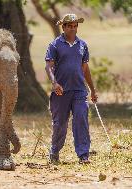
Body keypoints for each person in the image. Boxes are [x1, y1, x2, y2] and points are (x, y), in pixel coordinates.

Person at [45, 13, 98, 164]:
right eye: (70, 26)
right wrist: (54, 83)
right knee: (60, 124)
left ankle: (83, 155)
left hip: (79, 90)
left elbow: (85, 69)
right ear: (64, 27)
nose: (73, 29)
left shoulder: (82, 45)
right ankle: (54, 152)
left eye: (75, 26)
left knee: (81, 119)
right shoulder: (55, 45)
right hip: (61, 91)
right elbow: (48, 67)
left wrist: (92, 90)